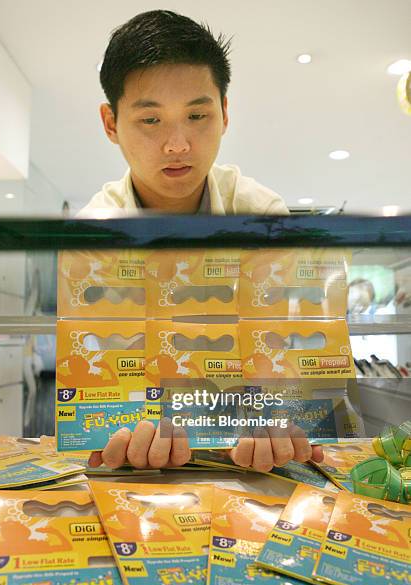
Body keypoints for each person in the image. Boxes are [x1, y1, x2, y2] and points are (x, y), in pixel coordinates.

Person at [84, 9, 324, 471]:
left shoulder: (261, 214)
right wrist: (105, 431)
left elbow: (284, 351)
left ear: (225, 113)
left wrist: (286, 417)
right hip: (145, 461)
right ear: (111, 123)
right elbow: (98, 377)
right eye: (151, 120)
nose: (178, 143)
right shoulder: (95, 233)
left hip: (249, 459)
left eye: (197, 114)